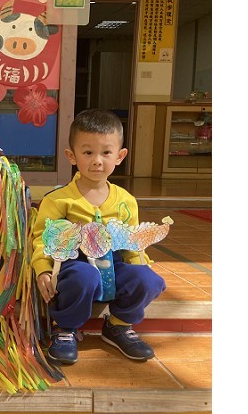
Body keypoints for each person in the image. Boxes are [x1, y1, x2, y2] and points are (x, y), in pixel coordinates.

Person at [30, 108, 166, 365]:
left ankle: (118, 325)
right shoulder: (58, 200)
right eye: (88, 152)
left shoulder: (126, 201)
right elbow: (42, 239)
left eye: (106, 153)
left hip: (114, 264)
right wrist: (42, 270)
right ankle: (66, 328)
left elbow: (133, 242)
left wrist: (140, 269)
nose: (97, 161)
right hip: (74, 265)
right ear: (72, 156)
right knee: (84, 276)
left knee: (147, 279)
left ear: (120, 156)